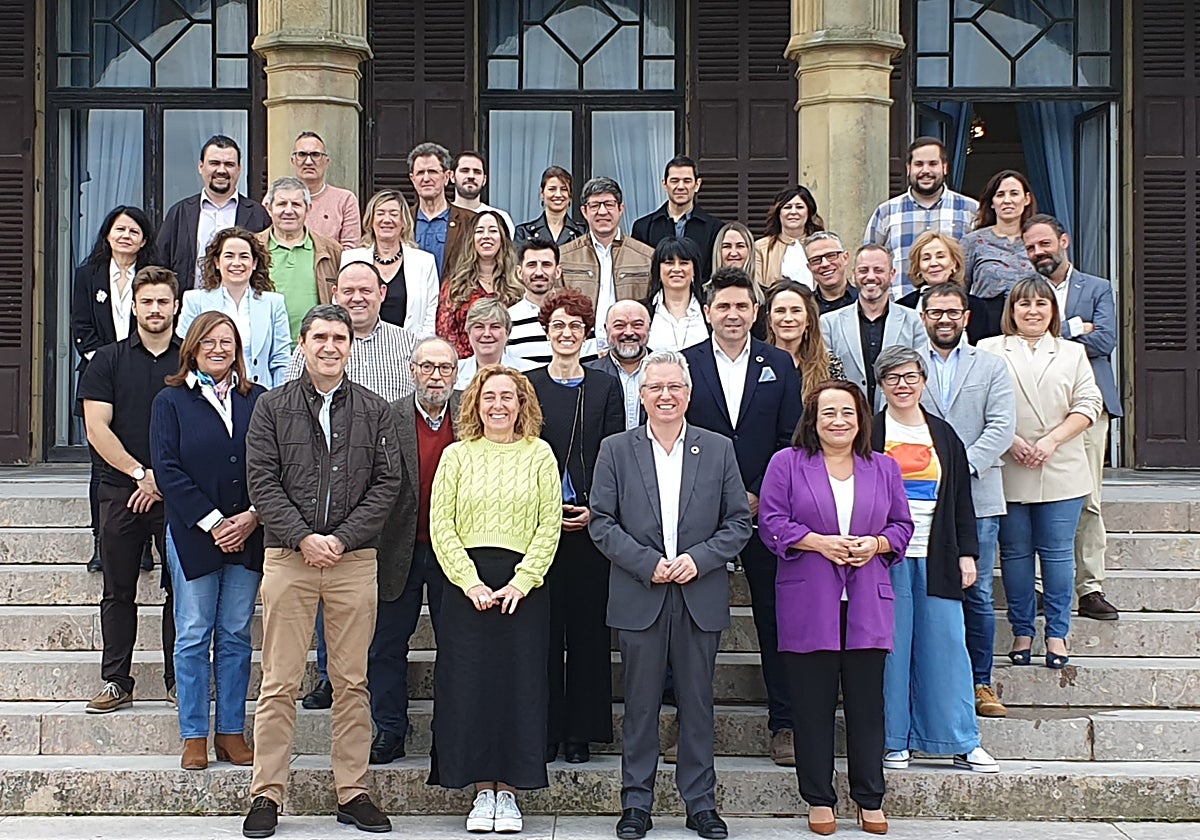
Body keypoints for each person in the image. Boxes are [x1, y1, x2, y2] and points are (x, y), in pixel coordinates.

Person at [242, 304, 402, 839]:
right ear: (303, 346)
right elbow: (261, 480)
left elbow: (387, 484)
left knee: (352, 681)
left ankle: (352, 791)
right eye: (320, 338)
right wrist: (305, 536)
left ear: (350, 347)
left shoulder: (375, 410)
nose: (331, 346)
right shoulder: (272, 407)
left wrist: (341, 538)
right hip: (289, 558)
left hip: (353, 562)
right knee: (279, 681)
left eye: (340, 338)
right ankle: (266, 794)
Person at [589, 350, 753, 840]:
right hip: (641, 592)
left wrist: (698, 560)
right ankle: (636, 804)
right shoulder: (616, 449)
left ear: (689, 394)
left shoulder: (717, 447)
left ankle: (700, 804)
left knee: (698, 705)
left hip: (698, 593)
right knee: (639, 706)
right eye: (655, 388)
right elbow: (601, 521)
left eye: (674, 388)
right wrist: (648, 564)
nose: (665, 396)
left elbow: (738, 522)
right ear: (641, 395)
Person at [758, 380, 914, 836]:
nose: (838, 421)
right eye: (829, 413)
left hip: (867, 599)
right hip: (809, 599)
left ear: (861, 418)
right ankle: (819, 798)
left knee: (867, 706)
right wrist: (819, 543)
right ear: (813, 419)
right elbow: (771, 523)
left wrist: (877, 543)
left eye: (847, 412)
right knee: (811, 706)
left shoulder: (883, 467)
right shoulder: (787, 464)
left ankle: (870, 798)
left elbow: (902, 525)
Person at [428, 366, 562, 835]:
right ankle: (481, 791)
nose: (499, 405)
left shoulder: (540, 454)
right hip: (468, 590)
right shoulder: (457, 455)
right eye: (490, 397)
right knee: (470, 689)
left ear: (522, 404)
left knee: (519, 688)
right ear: (476, 404)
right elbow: (440, 525)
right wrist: (471, 583)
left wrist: (523, 581)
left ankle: (509, 793)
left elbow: (550, 524)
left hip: (523, 590)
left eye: (508, 397)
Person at [682, 267, 802, 766]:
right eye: (723, 306)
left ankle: (786, 723)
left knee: (775, 619)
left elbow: (790, 439)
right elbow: (675, 431)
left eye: (742, 306)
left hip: (765, 513)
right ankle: (687, 725)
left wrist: (757, 494)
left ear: (756, 312)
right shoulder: (686, 363)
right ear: (708, 311)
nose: (733, 314)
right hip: (698, 515)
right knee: (689, 624)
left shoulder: (779, 364)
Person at [870, 347, 999, 775]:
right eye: (892, 378)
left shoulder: (943, 434)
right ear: (881, 384)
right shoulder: (869, 433)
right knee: (892, 650)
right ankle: (894, 740)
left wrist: (968, 553)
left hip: (938, 554)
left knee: (946, 647)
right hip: (886, 558)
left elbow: (962, 498)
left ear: (923, 380)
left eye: (910, 376)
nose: (902, 385)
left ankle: (960, 739)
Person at [150, 311, 265, 771]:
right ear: (193, 346)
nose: (219, 349)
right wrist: (215, 521)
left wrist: (252, 517)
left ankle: (231, 733)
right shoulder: (170, 400)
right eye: (209, 341)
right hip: (194, 532)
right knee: (194, 633)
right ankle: (194, 734)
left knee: (236, 634)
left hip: (249, 532)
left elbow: (271, 463)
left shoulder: (257, 399)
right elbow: (168, 469)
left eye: (227, 341)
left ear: (238, 348)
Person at [978, 277, 1103, 671]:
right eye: (1024, 304)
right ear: (1011, 310)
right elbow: (979, 402)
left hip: (1060, 464)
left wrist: (1051, 441)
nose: (1032, 311)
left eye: (1041, 304)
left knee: (1057, 553)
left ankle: (1057, 633)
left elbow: (1089, 402)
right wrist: (1011, 440)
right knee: (1014, 554)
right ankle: (1022, 630)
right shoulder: (988, 349)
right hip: (1008, 461)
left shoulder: (1071, 353)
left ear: (1053, 311)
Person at [526, 289, 624, 764]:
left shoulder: (605, 388)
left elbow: (613, 457)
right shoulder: (528, 385)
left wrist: (597, 509)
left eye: (576, 326)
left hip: (589, 524)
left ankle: (581, 731)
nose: (567, 334)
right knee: (543, 631)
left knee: (587, 632)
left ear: (587, 334)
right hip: (538, 528)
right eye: (558, 325)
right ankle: (544, 727)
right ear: (547, 331)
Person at [79, 266, 182, 714]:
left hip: (180, 495)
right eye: (147, 302)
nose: (155, 309)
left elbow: (205, 428)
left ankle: (180, 680)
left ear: (176, 306)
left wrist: (163, 480)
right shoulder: (108, 360)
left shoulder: (191, 361)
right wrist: (142, 475)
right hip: (121, 491)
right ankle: (117, 680)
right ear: (134, 306)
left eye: (163, 301)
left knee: (182, 592)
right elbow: (96, 427)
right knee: (118, 590)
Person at [918, 283, 1016, 718]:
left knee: (973, 593)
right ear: (923, 317)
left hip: (977, 495)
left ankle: (980, 682)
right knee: (923, 591)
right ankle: (927, 681)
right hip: (917, 496)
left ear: (966, 317)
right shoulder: (907, 365)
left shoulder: (991, 366)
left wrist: (956, 468)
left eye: (952, 312)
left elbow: (1001, 427)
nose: (944, 319)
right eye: (936, 312)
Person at [1023, 213, 1122, 622]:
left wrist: (1056, 333)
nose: (1038, 253)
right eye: (1030, 247)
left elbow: (1105, 339)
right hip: (1037, 412)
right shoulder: (1025, 292)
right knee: (1035, 499)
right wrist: (1076, 328)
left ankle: (1090, 587)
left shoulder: (1097, 287)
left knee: (1089, 502)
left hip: (1088, 409)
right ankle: (1043, 586)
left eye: (1044, 244)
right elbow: (1022, 338)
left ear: (1063, 241)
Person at [368, 336, 462, 765]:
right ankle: (389, 729)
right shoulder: (389, 417)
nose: (435, 375)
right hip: (398, 548)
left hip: (456, 552)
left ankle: (450, 733)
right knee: (387, 645)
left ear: (456, 373)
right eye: (427, 367)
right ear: (412, 370)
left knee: (456, 647)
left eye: (444, 367)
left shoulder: (472, 412)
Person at [72, 206, 159, 574]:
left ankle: (145, 544)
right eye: (120, 229)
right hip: (100, 376)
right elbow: (82, 328)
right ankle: (100, 541)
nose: (126, 236)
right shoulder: (87, 275)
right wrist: (114, 363)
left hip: (148, 378)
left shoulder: (153, 278)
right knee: (103, 465)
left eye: (134, 231)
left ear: (143, 240)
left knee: (149, 457)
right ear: (107, 234)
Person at [284, 261, 418, 410]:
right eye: (348, 291)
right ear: (335, 294)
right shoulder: (313, 345)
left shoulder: (409, 343)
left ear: (382, 293)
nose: (357, 298)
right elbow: (290, 402)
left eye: (365, 290)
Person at [177, 227, 291, 389]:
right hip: (206, 395)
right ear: (217, 262)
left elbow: (281, 359)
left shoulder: (274, 303)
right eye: (229, 256)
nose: (236, 263)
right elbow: (186, 354)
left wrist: (279, 400)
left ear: (254, 263)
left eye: (244, 256)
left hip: (261, 397)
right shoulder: (194, 300)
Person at [863, 137, 978, 297]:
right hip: (899, 310)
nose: (926, 171)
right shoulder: (886, 212)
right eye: (919, 164)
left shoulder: (970, 210)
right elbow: (868, 263)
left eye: (933, 164)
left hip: (953, 312)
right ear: (909, 168)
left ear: (944, 167)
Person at [820, 245, 929, 411]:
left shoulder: (914, 321)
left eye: (878, 270)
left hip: (897, 417)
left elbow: (922, 375)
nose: (870, 277)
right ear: (854, 274)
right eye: (864, 270)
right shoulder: (829, 323)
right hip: (848, 419)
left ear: (892, 275)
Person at [157, 135, 270, 290]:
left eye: (229, 164)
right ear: (201, 166)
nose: (221, 170)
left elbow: (266, 266)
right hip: (191, 308)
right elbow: (160, 264)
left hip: (242, 308)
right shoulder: (179, 213)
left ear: (239, 169)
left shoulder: (258, 215)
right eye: (214, 163)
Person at [559, 177, 655, 353]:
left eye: (609, 204)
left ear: (621, 209)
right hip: (581, 348)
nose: (602, 212)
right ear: (584, 211)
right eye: (594, 205)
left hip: (630, 346)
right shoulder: (564, 256)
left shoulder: (646, 256)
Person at [341, 189, 439, 338]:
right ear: (371, 220)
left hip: (410, 350)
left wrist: (420, 350)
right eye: (380, 213)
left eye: (394, 214)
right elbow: (340, 305)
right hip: (358, 346)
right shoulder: (351, 258)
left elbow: (431, 313)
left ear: (403, 222)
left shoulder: (424, 262)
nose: (387, 219)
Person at [255, 176, 342, 342]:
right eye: (281, 204)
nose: (289, 210)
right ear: (268, 208)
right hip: (263, 348)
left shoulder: (332, 251)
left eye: (296, 204)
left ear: (308, 208)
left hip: (316, 350)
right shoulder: (251, 249)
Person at [437, 209, 524, 358]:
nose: (486, 236)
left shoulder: (519, 284)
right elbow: (446, 333)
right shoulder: (455, 285)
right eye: (479, 231)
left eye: (493, 231)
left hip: (511, 368)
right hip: (465, 370)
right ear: (471, 239)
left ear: (503, 238)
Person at [961, 169, 1038, 333]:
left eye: (1014, 193)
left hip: (1031, 324)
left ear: (1026, 199)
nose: (1007, 200)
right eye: (1000, 194)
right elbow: (960, 290)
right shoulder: (973, 241)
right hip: (985, 327)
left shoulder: (1037, 241)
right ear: (991, 202)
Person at [631, 155, 724, 279]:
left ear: (697, 184)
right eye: (674, 181)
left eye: (687, 181)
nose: (680, 187)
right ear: (664, 184)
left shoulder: (715, 229)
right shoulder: (643, 227)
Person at [897, 231, 995, 343]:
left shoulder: (977, 307)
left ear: (954, 263)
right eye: (926, 258)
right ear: (918, 268)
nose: (933, 263)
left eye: (940, 256)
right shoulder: (902, 307)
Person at [765, 280, 846, 400]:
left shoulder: (830, 364)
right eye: (780, 311)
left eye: (796, 311)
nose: (788, 318)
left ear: (808, 319)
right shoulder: (755, 363)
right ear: (770, 319)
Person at [408, 141, 476, 279]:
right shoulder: (403, 220)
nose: (426, 178)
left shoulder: (470, 221)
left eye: (432, 172)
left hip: (455, 298)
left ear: (446, 177)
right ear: (412, 179)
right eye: (420, 173)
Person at [585, 300, 652, 431]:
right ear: (606, 330)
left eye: (637, 325)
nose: (628, 332)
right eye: (619, 326)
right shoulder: (588, 374)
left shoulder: (666, 372)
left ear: (649, 327)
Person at [290, 130, 362, 249]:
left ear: (326, 161)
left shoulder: (345, 200)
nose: (308, 162)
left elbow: (350, 250)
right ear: (293, 160)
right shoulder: (277, 198)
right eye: (302, 155)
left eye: (315, 155)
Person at [455, 297, 537, 390]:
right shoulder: (455, 372)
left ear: (507, 332)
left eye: (495, 327)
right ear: (468, 332)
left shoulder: (530, 372)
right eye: (479, 327)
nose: (487, 334)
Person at [644, 237, 709, 352]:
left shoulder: (709, 311)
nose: (677, 269)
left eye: (684, 263)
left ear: (694, 270)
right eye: (669, 263)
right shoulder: (644, 311)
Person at [507, 236, 564, 365]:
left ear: (558, 271)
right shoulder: (507, 320)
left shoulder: (576, 317)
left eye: (546, 265)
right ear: (519, 272)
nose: (539, 272)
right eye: (531, 265)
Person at [755, 185, 825, 289]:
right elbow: (757, 289)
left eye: (799, 207)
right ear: (778, 213)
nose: (793, 212)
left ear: (809, 212)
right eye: (787, 207)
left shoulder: (823, 245)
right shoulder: (761, 248)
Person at [514, 165, 587, 246]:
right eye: (552, 189)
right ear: (542, 193)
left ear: (570, 195)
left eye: (564, 189)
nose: (558, 194)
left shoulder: (582, 233)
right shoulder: (524, 233)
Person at [451, 150, 516, 235]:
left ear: (484, 179)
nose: (471, 176)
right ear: (452, 176)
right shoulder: (443, 216)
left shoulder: (501, 218)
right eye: (465, 171)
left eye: (477, 172)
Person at [803, 231, 857, 315]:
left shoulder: (864, 301)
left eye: (831, 255)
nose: (825, 264)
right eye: (816, 260)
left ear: (845, 258)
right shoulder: (805, 306)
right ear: (809, 267)